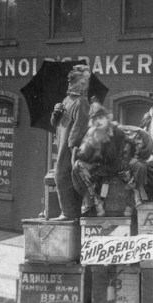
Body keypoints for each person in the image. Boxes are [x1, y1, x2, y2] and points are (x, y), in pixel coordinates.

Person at [50, 64, 90, 221]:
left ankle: (69, 213)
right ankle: (68, 211)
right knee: (61, 177)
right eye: (78, 83)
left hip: (70, 148)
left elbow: (80, 126)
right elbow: (54, 123)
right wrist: (55, 114)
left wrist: (72, 147)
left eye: (83, 83)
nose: (80, 86)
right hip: (62, 145)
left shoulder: (81, 102)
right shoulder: (66, 100)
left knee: (63, 176)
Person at [72, 101, 126, 217]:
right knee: (78, 165)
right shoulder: (92, 134)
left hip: (115, 166)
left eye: (101, 118)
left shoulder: (117, 131)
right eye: (95, 119)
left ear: (107, 118)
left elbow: (122, 152)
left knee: (105, 180)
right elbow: (83, 157)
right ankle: (95, 202)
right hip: (98, 168)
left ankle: (96, 202)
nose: (98, 121)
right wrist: (89, 144)